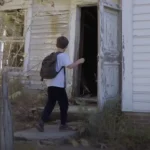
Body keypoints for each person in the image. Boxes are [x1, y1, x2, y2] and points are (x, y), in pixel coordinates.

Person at [36, 36, 85, 132]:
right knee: (64, 104)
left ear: (56, 45)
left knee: (50, 103)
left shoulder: (53, 55)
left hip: (50, 84)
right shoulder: (63, 56)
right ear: (66, 46)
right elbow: (70, 66)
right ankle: (63, 125)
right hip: (58, 85)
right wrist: (79, 61)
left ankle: (41, 123)